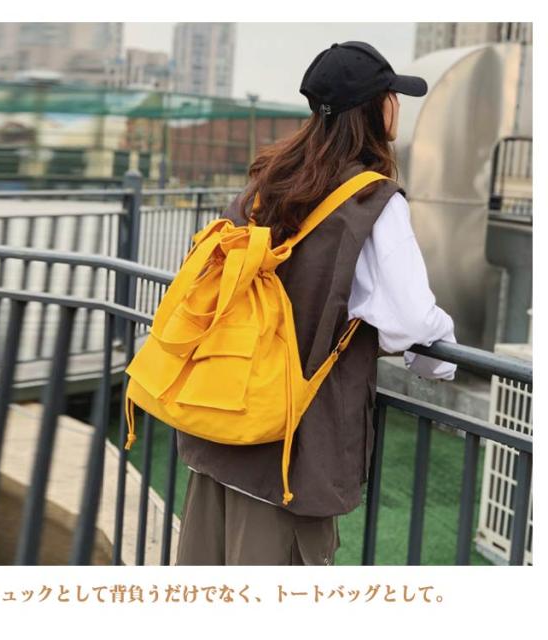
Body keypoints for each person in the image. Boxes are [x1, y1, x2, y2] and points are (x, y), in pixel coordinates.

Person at [174, 41, 457, 566]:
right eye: (392, 94)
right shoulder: (372, 200)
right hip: (291, 452)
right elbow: (413, 319)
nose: (397, 104)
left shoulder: (266, 184)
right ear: (375, 107)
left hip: (221, 426)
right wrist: (441, 360)